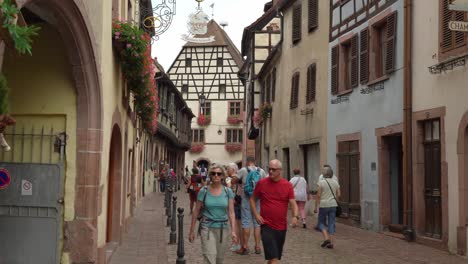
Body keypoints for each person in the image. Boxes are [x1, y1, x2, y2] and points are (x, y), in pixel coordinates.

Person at [250, 159, 298, 264]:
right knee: (274, 258)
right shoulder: (261, 183)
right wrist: (256, 215)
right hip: (266, 225)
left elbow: (293, 202)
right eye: (269, 169)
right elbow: (252, 199)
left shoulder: (287, 185)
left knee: (273, 258)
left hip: (281, 226)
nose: (271, 171)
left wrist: (295, 216)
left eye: (274, 169)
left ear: (280, 170)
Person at [189, 164, 238, 264]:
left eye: (219, 174)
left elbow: (231, 213)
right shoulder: (204, 191)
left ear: (223, 176)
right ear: (210, 175)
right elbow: (196, 210)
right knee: (210, 257)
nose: (216, 175)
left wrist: (233, 231)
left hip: (222, 228)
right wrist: (192, 230)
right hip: (207, 228)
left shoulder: (228, 192)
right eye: (213, 173)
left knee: (219, 259)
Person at [231, 156, 266, 255]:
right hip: (257, 199)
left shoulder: (243, 170)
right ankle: (258, 246)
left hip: (246, 199)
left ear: (247, 162)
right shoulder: (261, 171)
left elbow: (233, 181)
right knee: (257, 222)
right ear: (255, 162)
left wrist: (236, 178)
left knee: (246, 222)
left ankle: (245, 246)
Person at [317, 165, 340, 249]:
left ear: (324, 174)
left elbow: (318, 195)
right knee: (331, 223)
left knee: (321, 223)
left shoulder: (321, 182)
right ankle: (332, 243)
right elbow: (339, 194)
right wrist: (334, 200)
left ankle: (326, 238)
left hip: (324, 205)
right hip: (333, 205)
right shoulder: (335, 182)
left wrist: (317, 205)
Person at [314, 164, 338, 230]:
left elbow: (318, 193)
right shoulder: (334, 179)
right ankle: (330, 231)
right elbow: (337, 192)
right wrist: (335, 199)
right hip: (332, 202)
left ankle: (322, 229)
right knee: (331, 220)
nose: (323, 171)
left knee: (321, 219)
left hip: (324, 202)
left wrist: (316, 206)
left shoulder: (322, 179)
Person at [226, 162, 243, 252]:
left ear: (232, 170)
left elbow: (228, 188)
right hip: (241, 201)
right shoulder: (240, 178)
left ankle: (235, 243)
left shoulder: (230, 178)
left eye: (228, 169)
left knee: (234, 224)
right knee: (240, 224)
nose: (227, 171)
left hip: (233, 202)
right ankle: (241, 243)